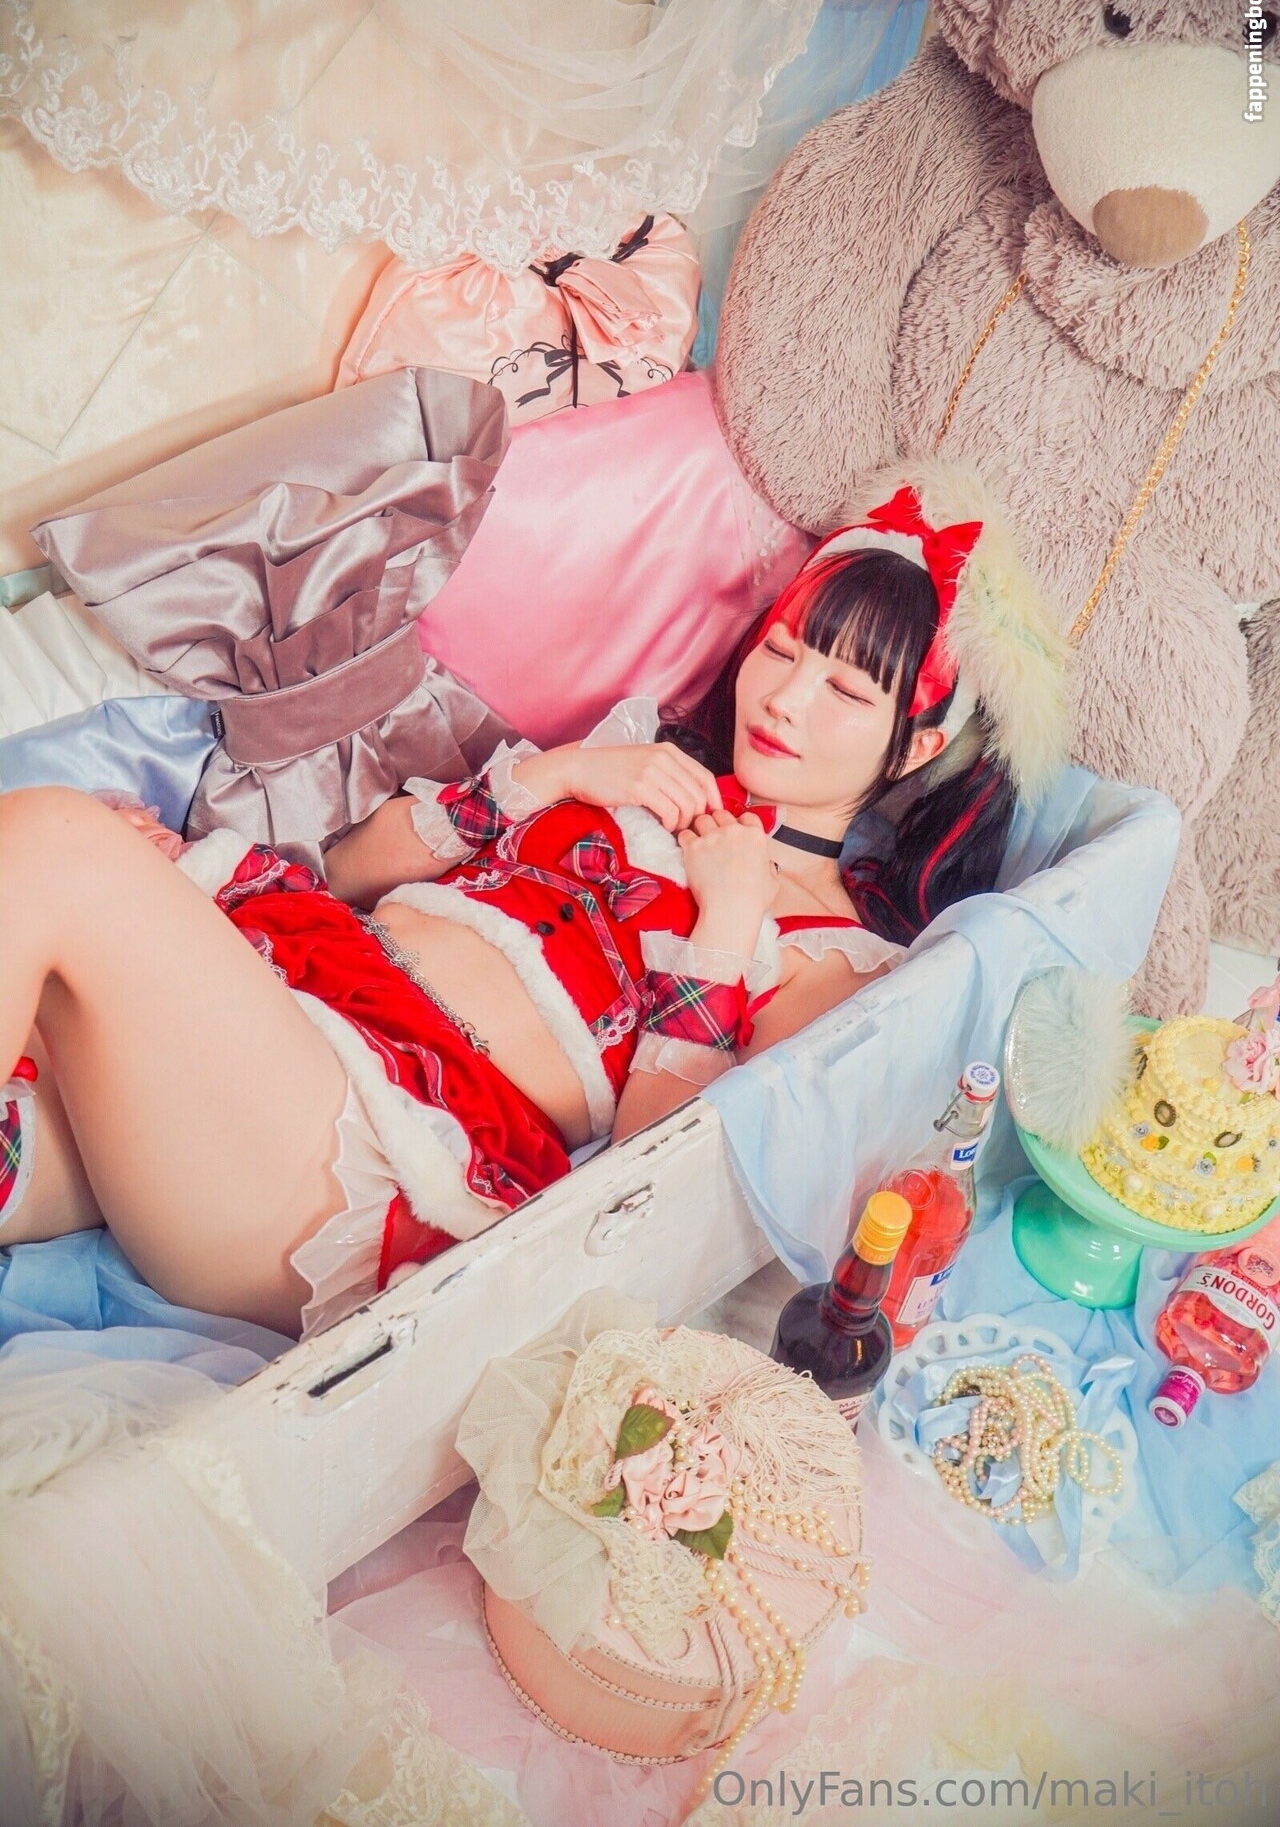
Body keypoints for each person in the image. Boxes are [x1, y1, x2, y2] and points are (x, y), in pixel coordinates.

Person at [0, 473, 1067, 1340]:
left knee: (53, 838)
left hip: (364, 1163)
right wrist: (554, 776)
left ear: (915, 745)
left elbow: (657, 1187)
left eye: (845, 692)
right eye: (783, 652)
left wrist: (726, 923)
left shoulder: (839, 963)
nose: (785, 700)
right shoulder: (639, 761)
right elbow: (347, 872)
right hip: (277, 1022)